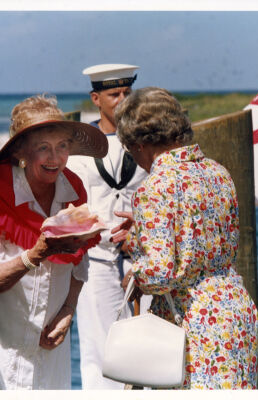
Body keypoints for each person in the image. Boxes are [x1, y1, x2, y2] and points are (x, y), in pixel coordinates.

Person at [111, 87, 258, 389]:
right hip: (234, 308)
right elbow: (208, 242)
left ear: (140, 143)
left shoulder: (155, 187)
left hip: (193, 321)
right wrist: (143, 236)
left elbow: (161, 274)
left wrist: (136, 274)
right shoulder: (218, 172)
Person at [0, 94, 108, 389]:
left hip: (52, 342)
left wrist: (68, 311)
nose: (55, 158)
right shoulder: (1, 191)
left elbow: (79, 257)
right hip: (5, 343)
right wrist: (35, 254)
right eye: (44, 148)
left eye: (62, 147)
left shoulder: (73, 189)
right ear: (22, 151)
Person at [67, 64, 150, 390]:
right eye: (114, 94)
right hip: (96, 260)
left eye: (128, 93)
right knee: (96, 346)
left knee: (147, 345)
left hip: (142, 256)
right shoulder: (77, 146)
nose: (122, 100)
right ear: (96, 98)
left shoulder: (147, 142)